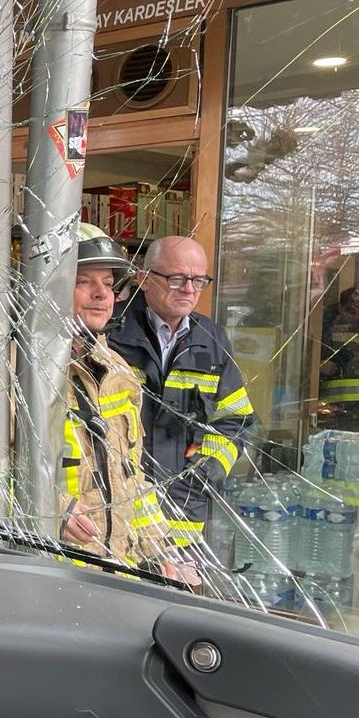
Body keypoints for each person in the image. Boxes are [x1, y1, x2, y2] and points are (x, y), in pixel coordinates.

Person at [59, 226, 190, 585]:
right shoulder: (20, 371)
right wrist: (53, 509)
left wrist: (161, 551)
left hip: (118, 575)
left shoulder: (119, 372)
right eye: (83, 281)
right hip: (51, 575)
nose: (102, 294)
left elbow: (132, 477)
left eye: (108, 283)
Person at [109, 235, 256, 550]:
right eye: (176, 279)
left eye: (198, 280)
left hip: (183, 517)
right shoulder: (108, 330)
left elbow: (236, 419)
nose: (189, 290)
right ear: (144, 278)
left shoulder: (211, 339)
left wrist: (204, 473)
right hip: (115, 515)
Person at [318, 285, 359, 430]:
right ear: (341, 308)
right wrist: (320, 366)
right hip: (328, 404)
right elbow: (308, 358)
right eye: (351, 308)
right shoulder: (323, 327)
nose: (357, 313)